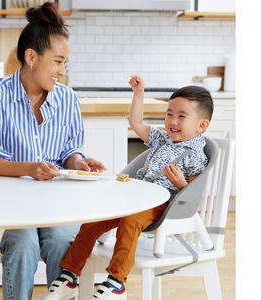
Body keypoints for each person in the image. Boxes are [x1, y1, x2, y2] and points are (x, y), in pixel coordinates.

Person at [41, 74, 214, 300]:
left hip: (160, 204)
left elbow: (192, 194)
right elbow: (137, 123)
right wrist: (139, 94)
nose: (172, 121)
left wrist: (180, 183)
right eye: (169, 114)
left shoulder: (196, 155)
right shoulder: (163, 139)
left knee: (130, 222)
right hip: (135, 197)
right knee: (92, 222)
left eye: (182, 116)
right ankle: (69, 277)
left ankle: (116, 283)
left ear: (201, 125)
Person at [0, 3, 106, 300]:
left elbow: (70, 148)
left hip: (56, 202)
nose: (61, 71)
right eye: (57, 61)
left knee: (64, 240)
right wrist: (29, 169)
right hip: (9, 202)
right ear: (31, 57)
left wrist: (79, 161)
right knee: (23, 244)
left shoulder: (68, 99)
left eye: (64, 63)